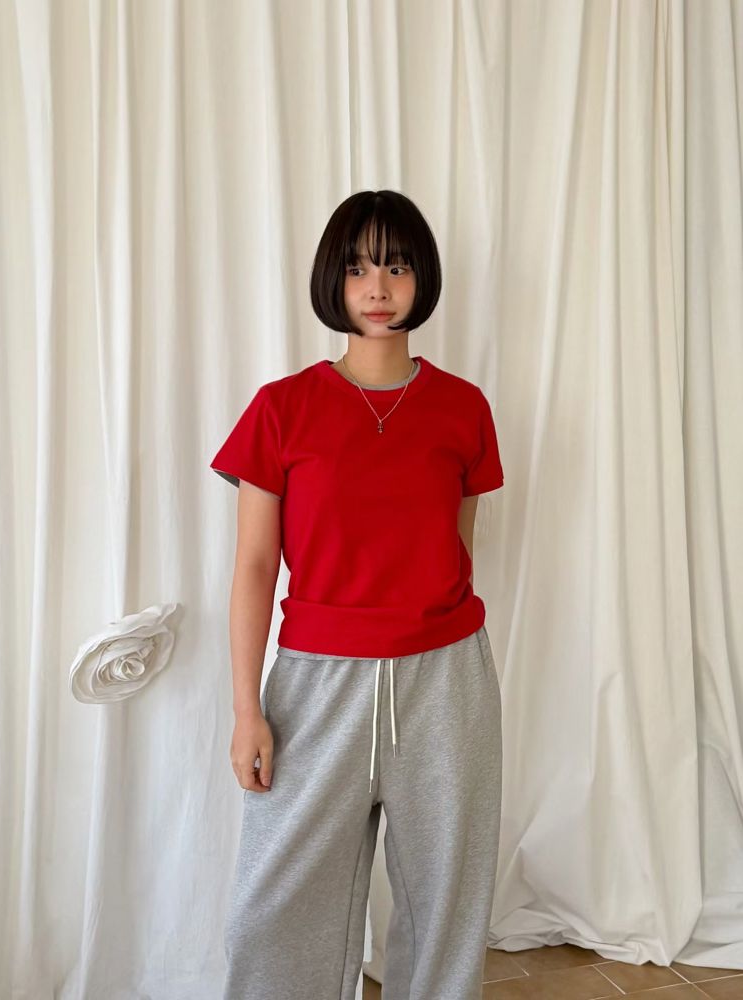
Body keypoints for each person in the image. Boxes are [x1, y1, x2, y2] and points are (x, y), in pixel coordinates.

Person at [211, 190, 505, 1000]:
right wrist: (246, 710)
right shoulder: (282, 409)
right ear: (333, 281)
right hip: (315, 683)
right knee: (271, 914)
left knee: (446, 905)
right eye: (358, 267)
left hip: (445, 681)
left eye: (397, 266)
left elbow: (458, 551)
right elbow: (253, 566)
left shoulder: (462, 408)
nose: (378, 287)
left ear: (422, 278)